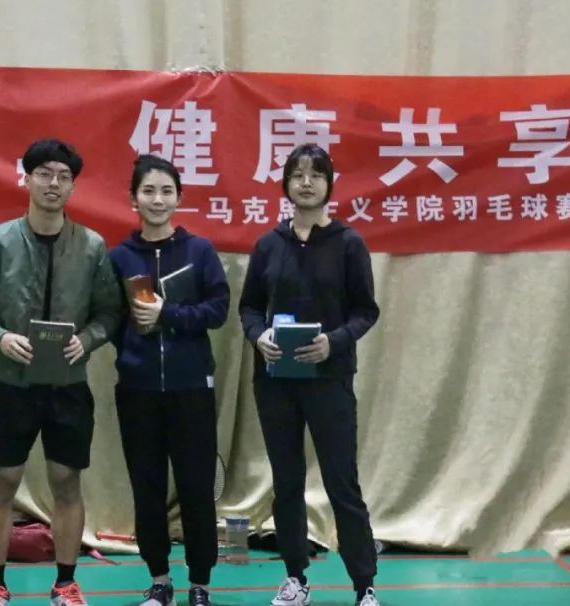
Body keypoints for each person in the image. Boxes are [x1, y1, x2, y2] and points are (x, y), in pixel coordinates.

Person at [0, 138, 122, 606]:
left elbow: (110, 313)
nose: (53, 184)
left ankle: (66, 583)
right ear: (26, 178)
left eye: (64, 177)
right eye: (44, 174)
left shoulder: (91, 246)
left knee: (67, 483)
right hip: (12, 385)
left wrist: (87, 339)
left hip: (68, 387)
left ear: (73, 186)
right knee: (2, 483)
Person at [238, 143, 381, 606]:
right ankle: (296, 579)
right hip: (275, 382)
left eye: (316, 174)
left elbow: (366, 310)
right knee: (286, 484)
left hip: (329, 380)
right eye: (297, 174)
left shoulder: (348, 243)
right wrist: (257, 335)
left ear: (328, 184)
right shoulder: (268, 244)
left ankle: (364, 585)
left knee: (342, 484)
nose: (306, 182)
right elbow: (249, 307)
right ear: (285, 184)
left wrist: (333, 342)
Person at [108, 154, 229, 606]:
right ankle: (159, 580)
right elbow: (109, 317)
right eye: (148, 191)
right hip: (137, 391)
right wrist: (130, 348)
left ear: (179, 198)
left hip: (192, 388)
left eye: (166, 191)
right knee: (147, 488)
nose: (157, 200)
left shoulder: (200, 252)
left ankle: (200, 584)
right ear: (133, 198)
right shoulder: (119, 258)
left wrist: (168, 314)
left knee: (197, 489)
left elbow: (218, 310)